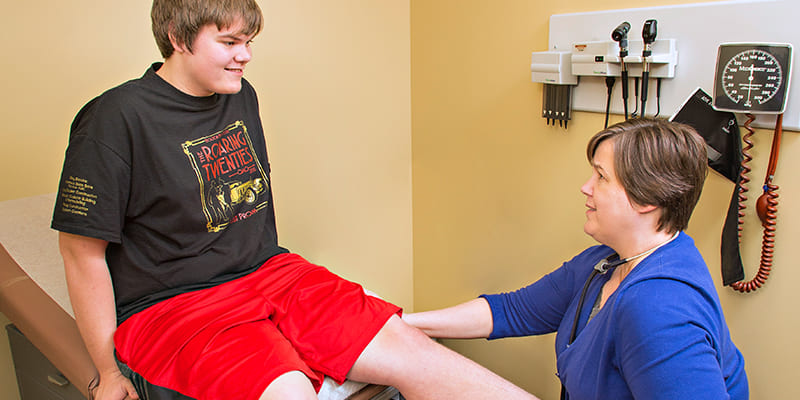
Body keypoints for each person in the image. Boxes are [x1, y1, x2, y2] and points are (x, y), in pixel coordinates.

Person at [51, 1, 539, 399]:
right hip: (176, 303)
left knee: (416, 355)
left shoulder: (240, 94)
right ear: (179, 39)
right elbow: (80, 251)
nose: (245, 56)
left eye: (248, 42)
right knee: (288, 392)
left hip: (270, 273)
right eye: (229, 42)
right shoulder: (114, 117)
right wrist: (106, 374)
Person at [404, 118, 748, 399]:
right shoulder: (606, 263)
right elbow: (511, 311)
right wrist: (399, 323)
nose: (586, 187)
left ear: (646, 199)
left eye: (601, 176)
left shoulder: (659, 308)